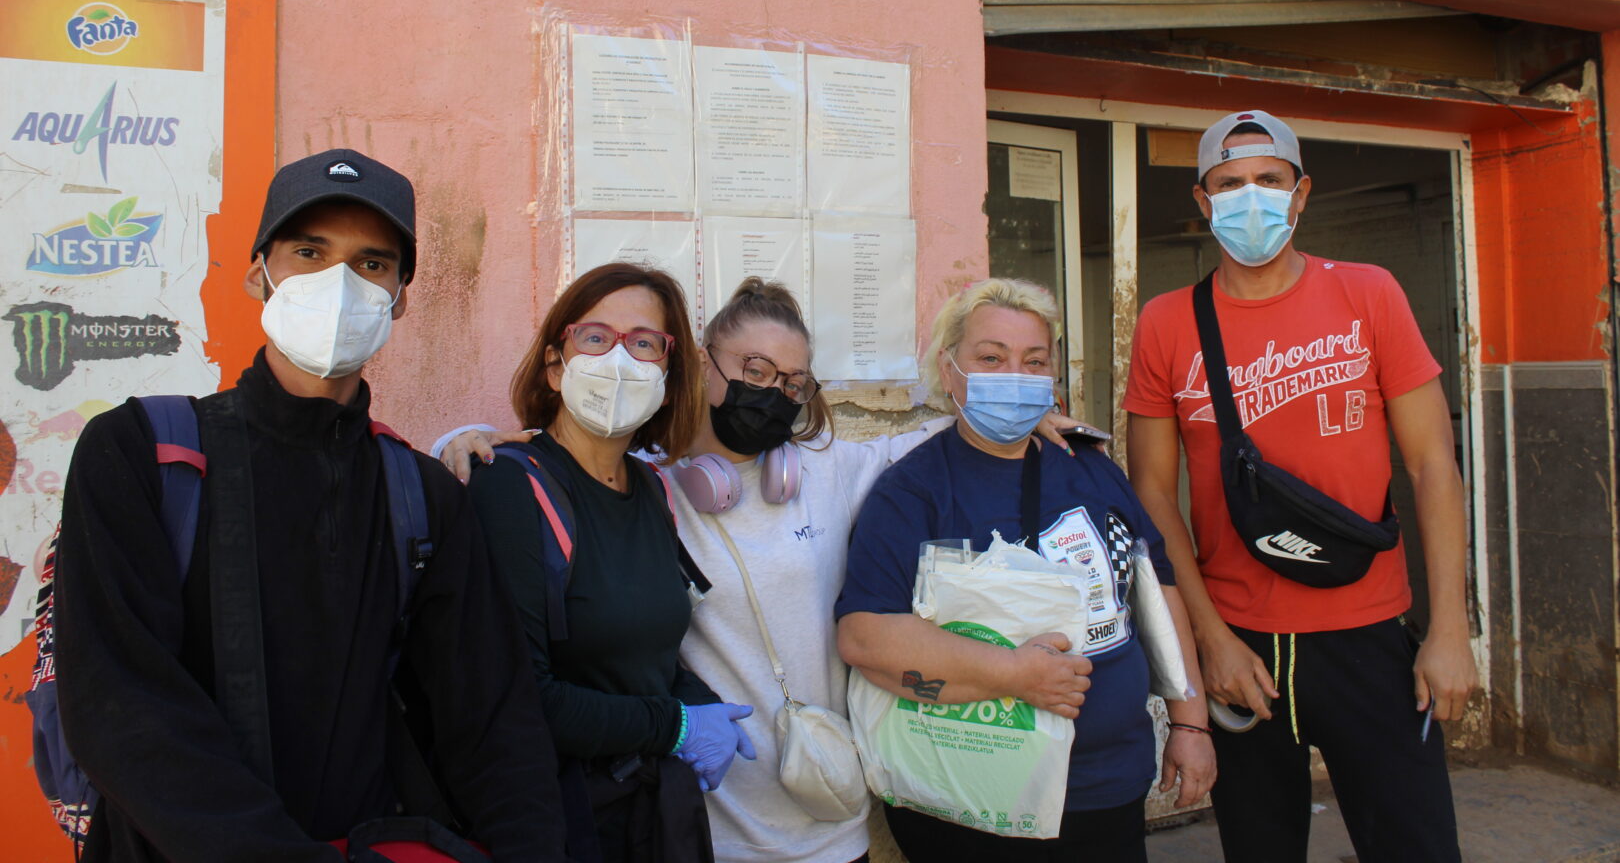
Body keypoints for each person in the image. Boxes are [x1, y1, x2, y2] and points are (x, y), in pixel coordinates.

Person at [437, 278, 1096, 863]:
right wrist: (464, 440)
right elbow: (560, 460)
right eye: (753, 369)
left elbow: (947, 440)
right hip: (708, 821)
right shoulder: (655, 488)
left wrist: (1030, 413)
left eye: (792, 382)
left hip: (831, 818)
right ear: (701, 364)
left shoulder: (827, 472)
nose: (772, 393)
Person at [52, 148, 567, 861]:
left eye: (372, 263)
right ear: (258, 272)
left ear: (400, 297)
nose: (341, 284)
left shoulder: (425, 498)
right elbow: (124, 710)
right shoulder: (139, 454)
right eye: (309, 251)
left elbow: (491, 726)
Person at [1123, 110, 1477, 863]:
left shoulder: (1369, 294)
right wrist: (1207, 642)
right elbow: (1151, 493)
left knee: (1418, 846)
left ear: (1301, 191)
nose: (1250, 197)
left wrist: (1450, 631)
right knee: (1259, 849)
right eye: (1229, 184)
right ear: (1202, 200)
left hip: (1367, 633)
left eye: (1269, 180)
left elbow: (1432, 466)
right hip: (1241, 645)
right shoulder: (1166, 323)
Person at [836, 278, 1214, 863]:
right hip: (971, 795)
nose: (1014, 375)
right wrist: (1013, 675)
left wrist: (1191, 725)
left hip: (1105, 789)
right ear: (949, 368)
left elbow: (1155, 591)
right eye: (991, 357)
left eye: (1034, 361)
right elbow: (865, 635)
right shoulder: (912, 492)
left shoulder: (1093, 470)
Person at [465, 262, 754, 863]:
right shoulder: (512, 489)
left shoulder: (652, 489)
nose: (619, 359)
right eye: (595, 338)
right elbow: (521, 697)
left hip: (649, 817)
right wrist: (675, 726)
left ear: (669, 380)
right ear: (555, 364)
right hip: (564, 822)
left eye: (644, 343)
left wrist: (698, 704)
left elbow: (646, 657)